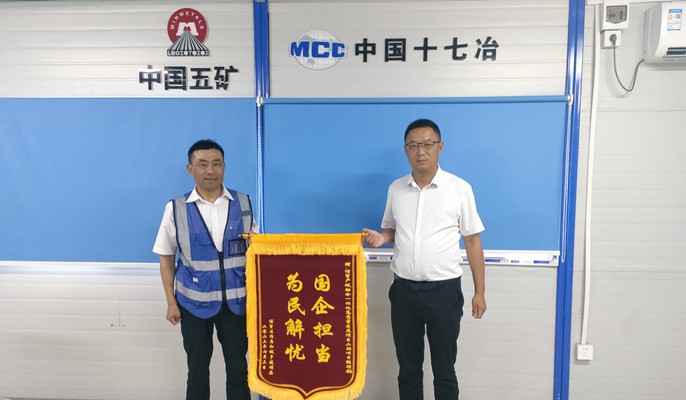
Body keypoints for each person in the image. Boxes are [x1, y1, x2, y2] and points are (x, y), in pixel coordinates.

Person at [362, 119, 486, 400]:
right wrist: (381, 238)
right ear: (405, 150)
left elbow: (472, 240)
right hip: (403, 293)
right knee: (408, 370)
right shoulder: (396, 189)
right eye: (414, 145)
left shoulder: (459, 189)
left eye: (428, 144)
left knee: (444, 371)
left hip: (444, 293)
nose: (421, 151)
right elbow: (392, 230)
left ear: (440, 147)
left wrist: (480, 292)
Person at [153, 139, 257, 400]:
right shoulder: (176, 208)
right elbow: (166, 256)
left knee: (239, 370)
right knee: (197, 371)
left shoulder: (243, 203)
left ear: (224, 167)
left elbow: (257, 251)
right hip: (193, 305)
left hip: (237, 305)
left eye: (216, 164)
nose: (210, 170)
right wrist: (171, 302)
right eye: (202, 164)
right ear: (190, 169)